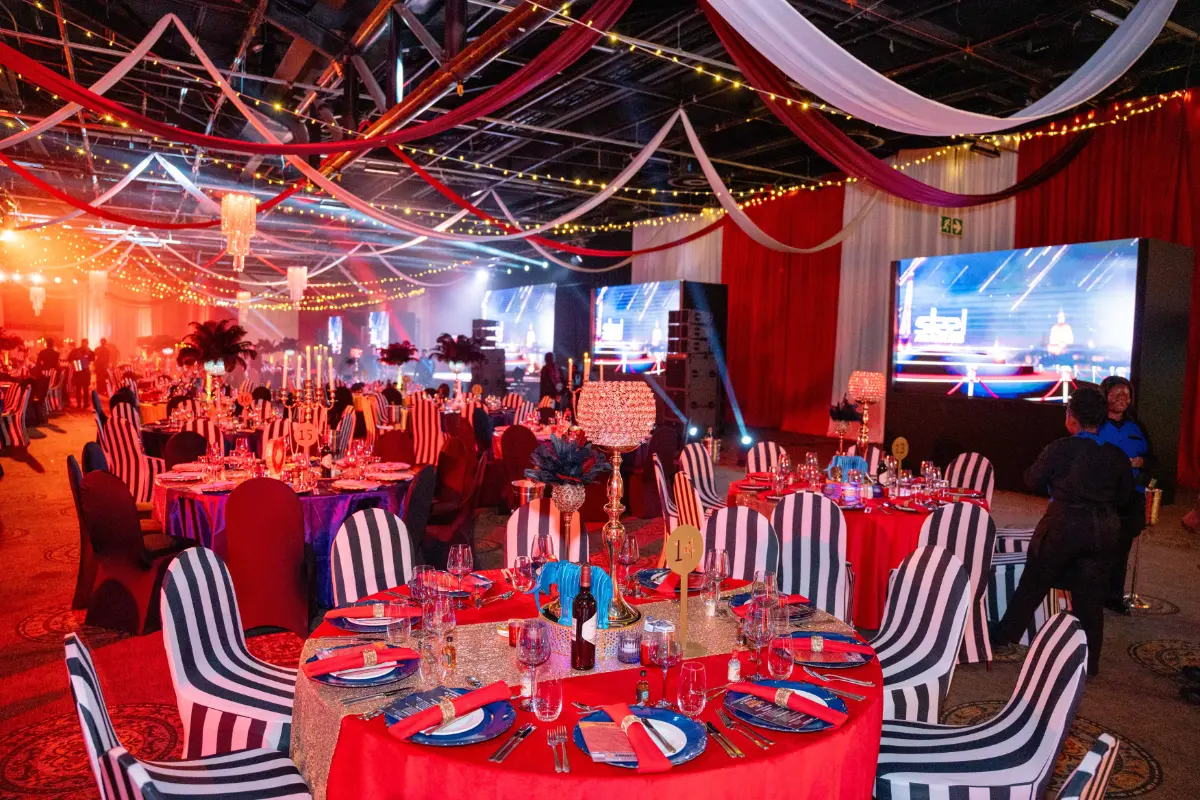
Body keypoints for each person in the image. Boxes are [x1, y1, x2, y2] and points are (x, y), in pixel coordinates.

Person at [992, 386, 1135, 676]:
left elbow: (1032, 479)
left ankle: (1003, 636)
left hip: (1063, 526)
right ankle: (1089, 663)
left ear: (1071, 417)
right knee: (1091, 601)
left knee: (1032, 585)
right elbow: (1125, 499)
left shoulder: (1060, 448)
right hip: (1103, 531)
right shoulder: (1117, 456)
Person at [1096, 376, 1153, 614]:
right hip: (1103, 497)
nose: (1123, 399)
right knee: (1099, 547)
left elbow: (1153, 459)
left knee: (1121, 551)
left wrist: (1143, 462)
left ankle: (1114, 597)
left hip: (1131, 498)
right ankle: (1093, 595)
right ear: (1105, 396)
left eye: (1127, 395)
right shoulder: (1095, 424)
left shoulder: (1136, 426)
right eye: (1117, 394)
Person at [67, 338, 93, 410]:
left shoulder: (76, 351)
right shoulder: (88, 351)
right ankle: (83, 404)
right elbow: (92, 360)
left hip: (80, 371)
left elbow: (69, 359)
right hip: (83, 371)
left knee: (81, 388)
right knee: (83, 388)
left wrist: (75, 363)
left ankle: (81, 403)